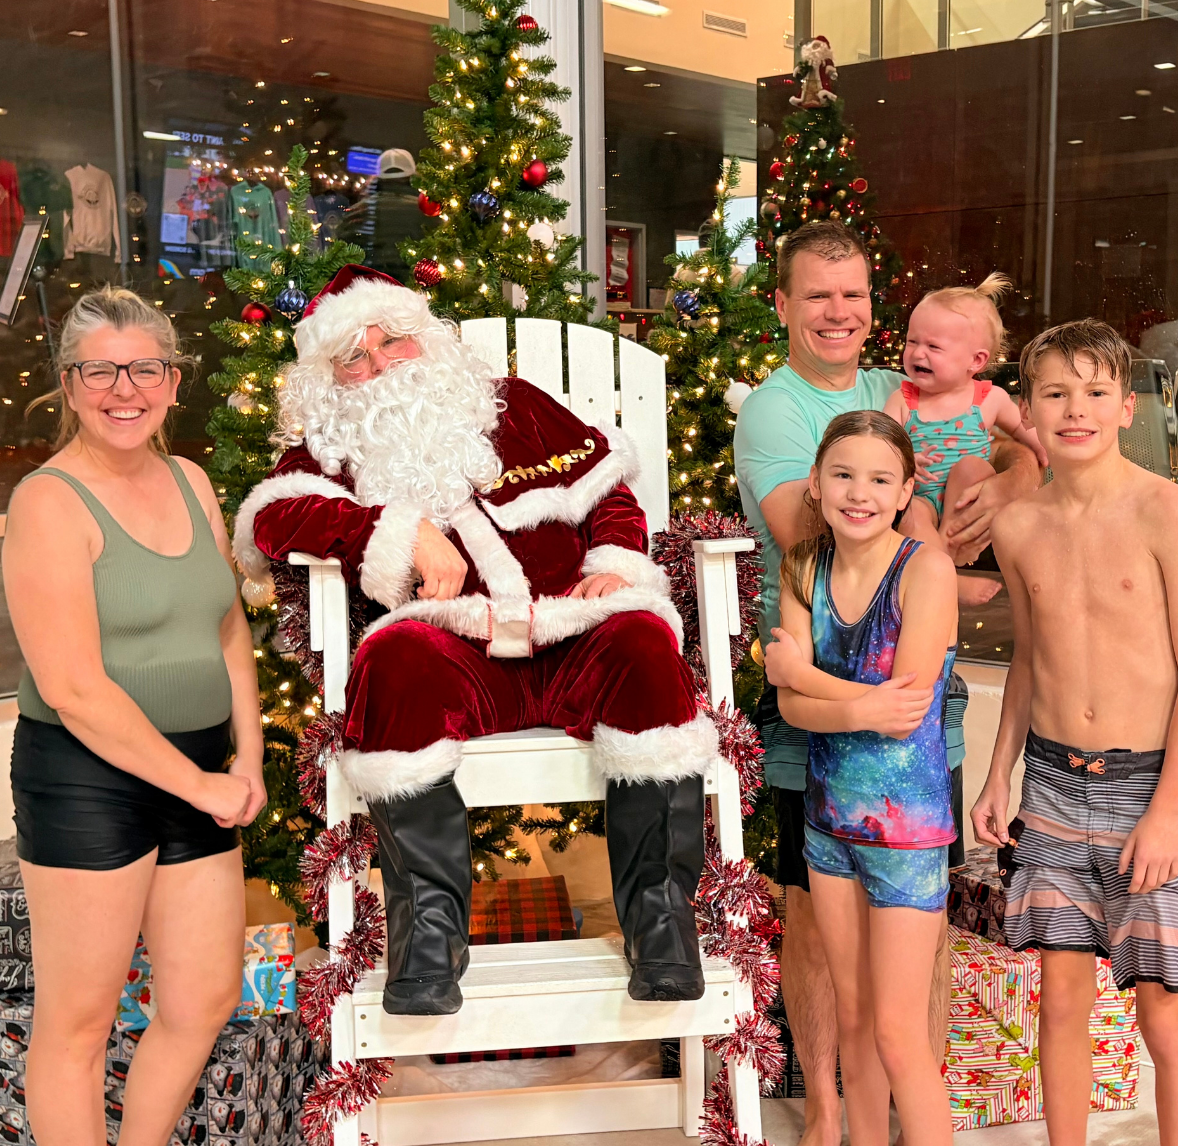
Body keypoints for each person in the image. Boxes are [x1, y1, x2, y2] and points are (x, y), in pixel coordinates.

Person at [235, 264, 714, 1014]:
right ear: (329, 379)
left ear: (426, 339)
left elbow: (610, 493)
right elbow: (275, 517)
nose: (380, 366)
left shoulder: (513, 406)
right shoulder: (333, 444)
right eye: (353, 358)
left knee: (647, 645)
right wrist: (400, 531)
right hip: (456, 653)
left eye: (393, 341)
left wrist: (614, 566)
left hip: (572, 635)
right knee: (392, 661)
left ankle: (660, 923)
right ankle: (428, 938)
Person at [733, 222, 1040, 1146]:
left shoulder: (897, 389)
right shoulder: (775, 411)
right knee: (815, 921)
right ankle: (827, 1108)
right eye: (818, 295)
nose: (840, 312)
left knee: (919, 917)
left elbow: (1001, 432)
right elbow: (820, 536)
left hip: (910, 713)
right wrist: (927, 538)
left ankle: (918, 1109)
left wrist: (1006, 471)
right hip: (819, 682)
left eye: (855, 295)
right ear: (784, 305)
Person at [2, 288, 266, 1146]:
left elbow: (226, 624)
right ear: (69, 385)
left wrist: (248, 760)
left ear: (174, 380)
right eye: (100, 371)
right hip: (88, 778)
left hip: (197, 767)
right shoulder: (47, 503)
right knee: (78, 1025)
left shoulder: (191, 480)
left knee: (202, 999)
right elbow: (74, 689)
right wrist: (200, 783)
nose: (126, 388)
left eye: (145, 367)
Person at [971, 319, 1178, 1146]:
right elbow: (1030, 659)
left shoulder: (1167, 511)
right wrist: (1000, 776)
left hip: (1148, 784)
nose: (1076, 410)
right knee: (1059, 1000)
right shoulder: (1019, 526)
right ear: (1026, 409)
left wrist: (1168, 808)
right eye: (1056, 393)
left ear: (1124, 404)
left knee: (1163, 1010)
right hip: (1054, 784)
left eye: (1096, 392)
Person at [767, 410, 957, 1146]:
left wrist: (811, 680)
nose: (859, 493)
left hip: (906, 836)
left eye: (880, 479)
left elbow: (905, 715)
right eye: (843, 475)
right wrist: (856, 702)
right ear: (815, 483)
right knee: (851, 1018)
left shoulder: (926, 570)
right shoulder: (803, 569)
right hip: (829, 827)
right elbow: (788, 706)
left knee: (898, 1033)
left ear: (907, 489)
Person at [882, 273, 1047, 605]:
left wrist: (1045, 452)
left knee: (972, 466)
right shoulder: (903, 399)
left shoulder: (990, 399)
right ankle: (947, 575)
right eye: (912, 342)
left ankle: (948, 542)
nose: (917, 353)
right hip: (923, 494)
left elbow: (1026, 429)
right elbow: (882, 445)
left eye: (933, 346)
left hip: (968, 497)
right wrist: (904, 459)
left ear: (976, 361)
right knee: (911, 513)